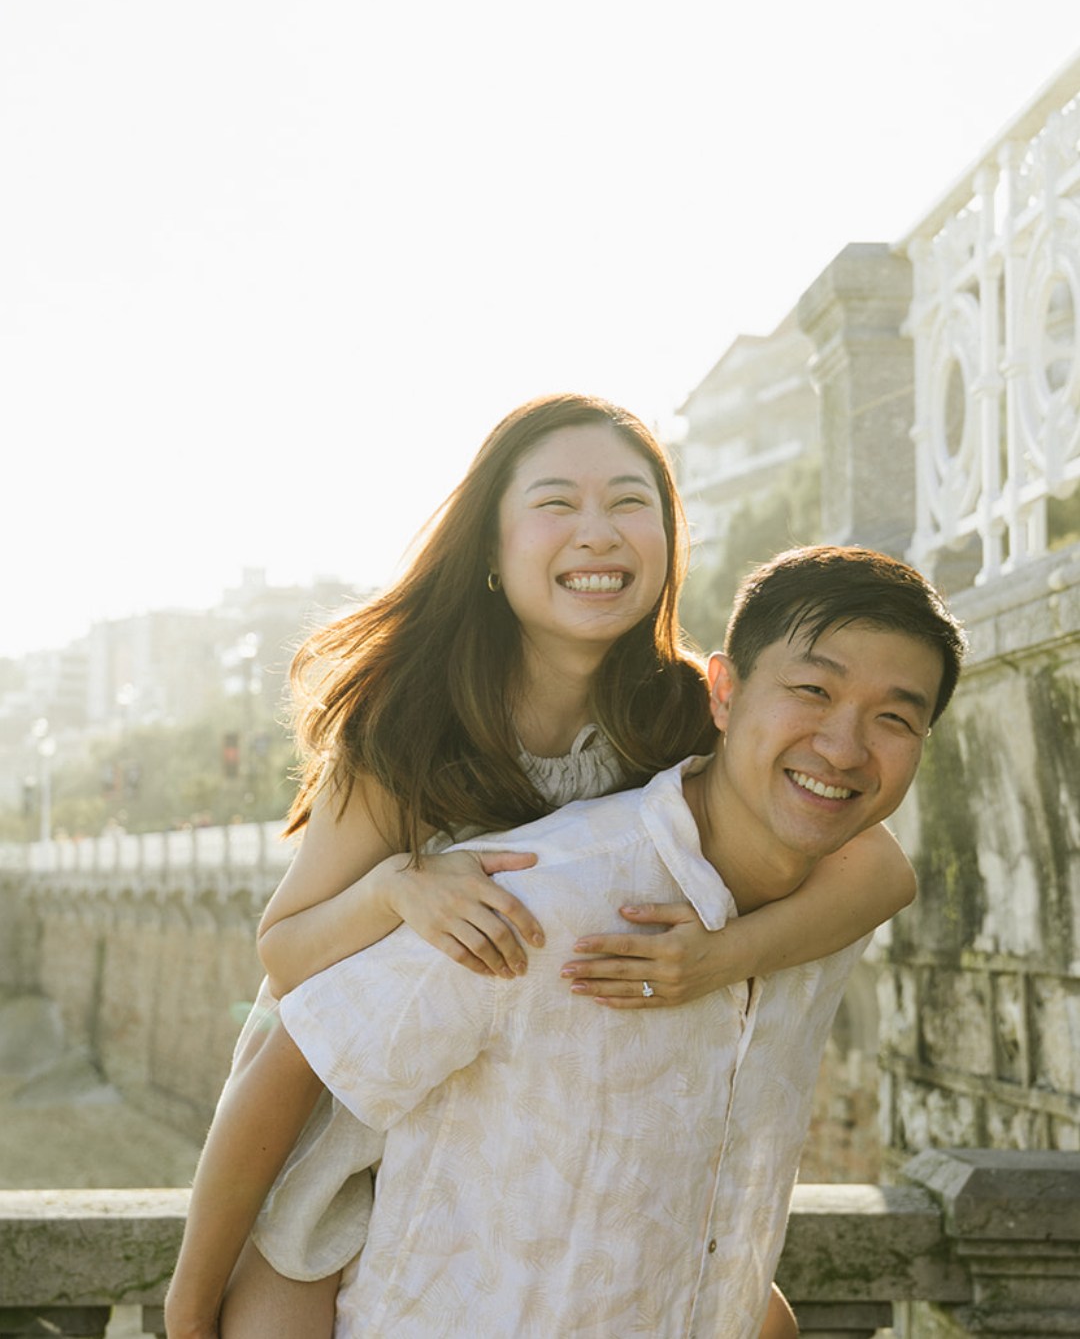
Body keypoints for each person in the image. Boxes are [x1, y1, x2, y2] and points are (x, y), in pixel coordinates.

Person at [163, 397, 917, 1338]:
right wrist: (395, 886)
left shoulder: (689, 708)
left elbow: (878, 869)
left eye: (630, 503)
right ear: (493, 543)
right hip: (341, 1099)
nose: (597, 534)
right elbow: (285, 958)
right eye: (557, 503)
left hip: (539, 1117)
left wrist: (726, 957)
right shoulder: (412, 720)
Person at [259, 545, 967, 1335]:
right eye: (813, 691)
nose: (842, 745)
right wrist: (189, 1310)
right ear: (725, 696)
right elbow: (288, 1033)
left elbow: (884, 874)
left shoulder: (730, 797)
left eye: (895, 717)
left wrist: (729, 952)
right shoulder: (493, 838)